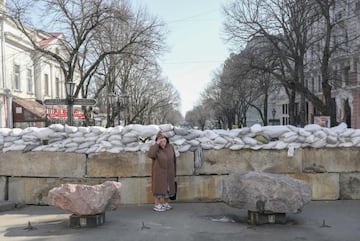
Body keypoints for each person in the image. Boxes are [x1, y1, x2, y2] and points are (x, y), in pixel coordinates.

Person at [147, 131, 177, 212]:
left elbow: (174, 160)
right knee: (158, 189)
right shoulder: (155, 148)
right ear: (157, 141)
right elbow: (151, 155)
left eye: (164, 140)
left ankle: (165, 203)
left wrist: (174, 172)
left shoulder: (170, 147)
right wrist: (157, 144)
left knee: (168, 188)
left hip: (169, 172)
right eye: (160, 140)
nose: (163, 142)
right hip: (159, 173)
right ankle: (157, 205)